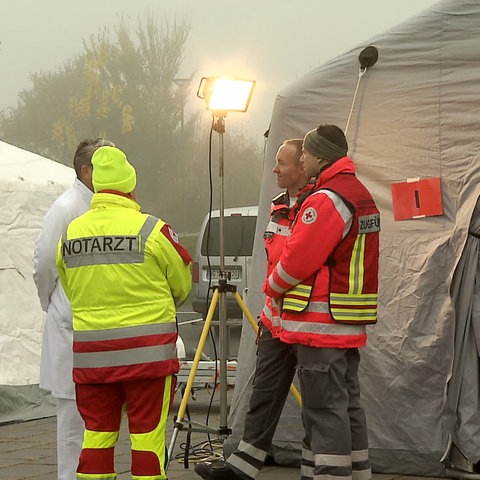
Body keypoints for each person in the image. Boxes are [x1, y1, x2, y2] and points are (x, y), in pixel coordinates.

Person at [55, 145, 192, 480]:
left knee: (97, 438)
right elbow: (183, 286)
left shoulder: (70, 234)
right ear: (131, 187)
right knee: (147, 440)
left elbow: (71, 289)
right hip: (148, 358)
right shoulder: (153, 231)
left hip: (94, 360)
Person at [264, 124, 380, 480]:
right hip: (345, 322)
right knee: (347, 406)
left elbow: (299, 258)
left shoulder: (326, 199)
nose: (302, 159)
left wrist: (272, 287)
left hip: (319, 326)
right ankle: (358, 472)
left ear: (319, 156)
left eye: (306, 154)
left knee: (323, 409)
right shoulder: (359, 193)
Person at [195, 138, 308, 480]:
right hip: (277, 320)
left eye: (282, 163)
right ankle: (243, 468)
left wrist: (272, 290)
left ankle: (319, 468)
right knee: (263, 394)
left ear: (302, 167)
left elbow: (297, 263)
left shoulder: (316, 205)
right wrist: (268, 311)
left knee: (319, 403)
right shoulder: (278, 206)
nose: (274, 169)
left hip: (308, 322)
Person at [33, 137, 114, 480]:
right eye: (105, 164)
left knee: (97, 420)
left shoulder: (106, 205)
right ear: (86, 170)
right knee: (72, 422)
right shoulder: (66, 208)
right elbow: (44, 266)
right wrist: (53, 304)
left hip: (98, 327)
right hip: (72, 324)